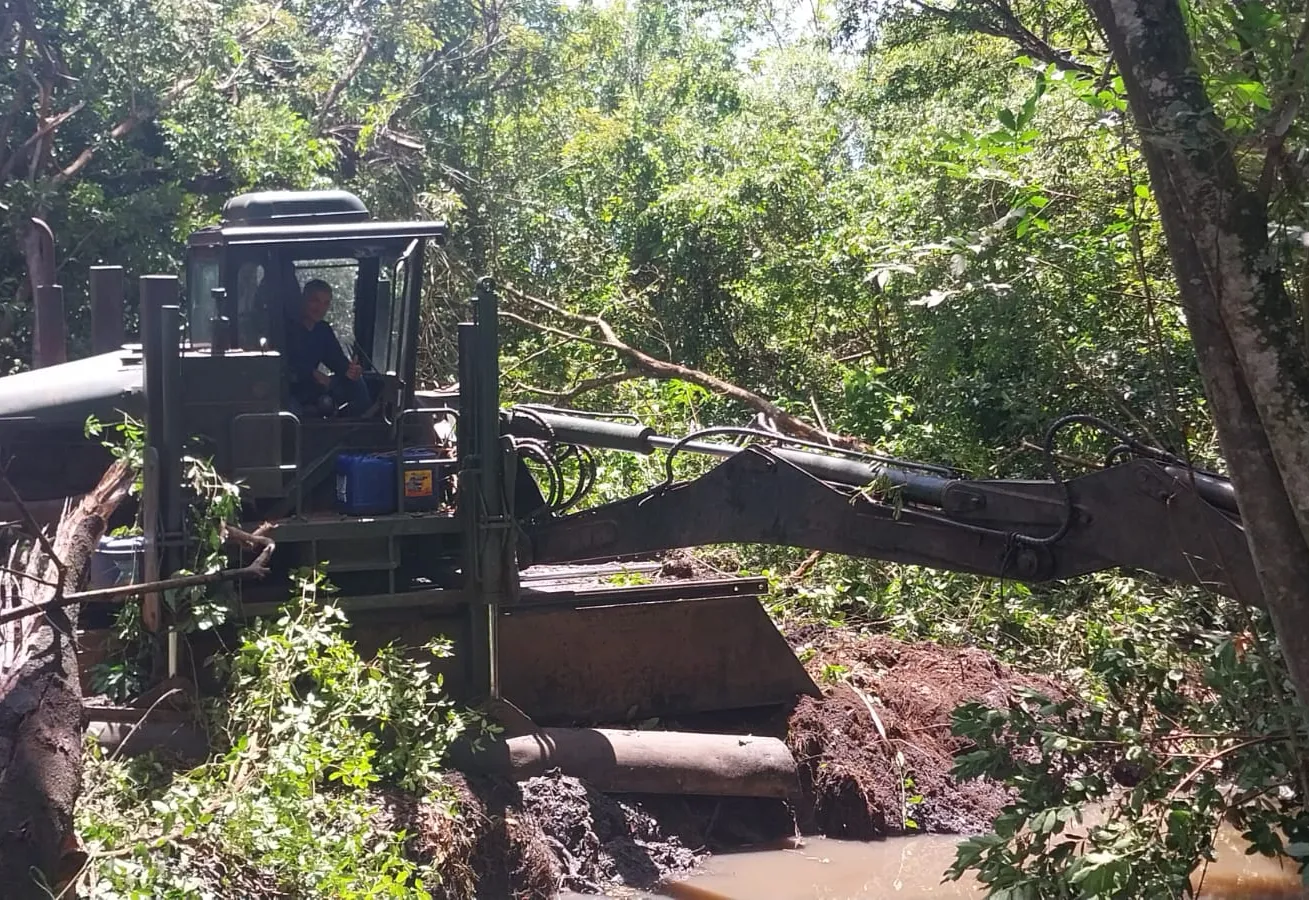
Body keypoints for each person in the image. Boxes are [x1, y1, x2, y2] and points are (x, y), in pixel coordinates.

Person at [283, 279, 372, 417]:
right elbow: (283, 364)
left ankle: (348, 428)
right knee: (290, 408)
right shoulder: (285, 329)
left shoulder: (323, 330)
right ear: (303, 300)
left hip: (316, 387)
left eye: (326, 303)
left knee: (357, 383)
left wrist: (350, 370)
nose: (320, 308)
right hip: (290, 389)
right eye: (315, 301)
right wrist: (311, 373)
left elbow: (336, 359)